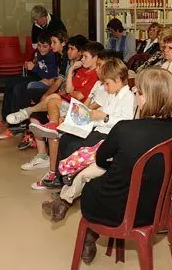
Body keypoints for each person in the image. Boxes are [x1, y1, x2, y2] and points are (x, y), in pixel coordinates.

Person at [76, 68, 172, 264]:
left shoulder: (125, 128)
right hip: (158, 209)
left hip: (118, 210)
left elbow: (101, 160)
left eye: (139, 91)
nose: (135, 93)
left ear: (147, 97)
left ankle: (89, 235)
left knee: (90, 184)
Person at [40, 58, 135, 221]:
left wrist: (103, 117)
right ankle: (63, 186)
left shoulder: (127, 97)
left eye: (107, 84)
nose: (105, 87)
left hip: (109, 136)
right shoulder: (114, 94)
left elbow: (124, 122)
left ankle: (65, 191)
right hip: (100, 130)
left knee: (77, 147)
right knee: (67, 140)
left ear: (118, 80)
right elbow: (104, 114)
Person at [6, 42, 103, 173]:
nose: (82, 59)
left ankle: (27, 113)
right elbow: (69, 90)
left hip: (75, 108)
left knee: (52, 100)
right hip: (67, 102)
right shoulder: (80, 70)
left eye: (85, 56)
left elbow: (79, 96)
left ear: (96, 58)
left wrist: (71, 92)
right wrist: (72, 70)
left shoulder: (96, 75)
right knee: (36, 116)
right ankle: (42, 156)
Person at [0, 31, 60, 140]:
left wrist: (34, 68)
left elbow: (51, 76)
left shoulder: (53, 56)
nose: (41, 49)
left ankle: (15, 127)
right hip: (38, 77)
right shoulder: (38, 52)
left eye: (45, 46)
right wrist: (31, 64)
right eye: (39, 46)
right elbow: (35, 66)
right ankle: (6, 119)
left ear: (50, 46)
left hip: (44, 81)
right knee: (10, 82)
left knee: (19, 88)